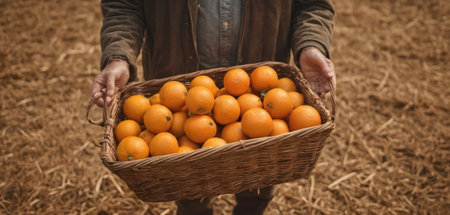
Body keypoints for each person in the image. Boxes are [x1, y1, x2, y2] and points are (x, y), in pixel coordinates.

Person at [90, 0, 335, 214]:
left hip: (263, 90)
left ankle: (251, 210)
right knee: (185, 180)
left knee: (262, 166)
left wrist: (311, 44)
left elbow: (313, 3)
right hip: (175, 91)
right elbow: (124, 4)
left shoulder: (272, 108)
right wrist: (118, 55)